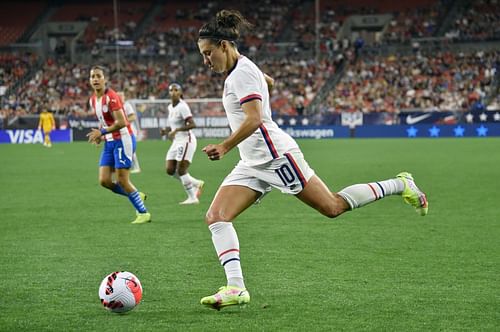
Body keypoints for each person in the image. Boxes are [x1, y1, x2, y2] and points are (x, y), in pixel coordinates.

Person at [196, 10, 429, 310]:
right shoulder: (243, 69)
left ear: (225, 46)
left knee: (332, 207)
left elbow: (254, 119)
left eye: (208, 53)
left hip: (276, 158)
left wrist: (225, 146)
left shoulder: (241, 73)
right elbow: (270, 82)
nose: (206, 61)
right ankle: (235, 288)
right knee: (216, 217)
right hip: (251, 162)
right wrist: (261, 84)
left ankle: (400, 184)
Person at [86, 65, 151, 224]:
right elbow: (105, 122)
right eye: (92, 76)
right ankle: (136, 194)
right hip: (109, 142)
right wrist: (101, 136)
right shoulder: (93, 99)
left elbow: (122, 122)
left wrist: (101, 132)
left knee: (123, 180)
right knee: (104, 181)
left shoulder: (111, 96)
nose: (95, 79)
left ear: (104, 79)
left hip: (123, 140)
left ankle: (143, 213)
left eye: (98, 76)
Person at [160, 83, 204, 205]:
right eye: (171, 90)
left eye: (176, 90)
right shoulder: (170, 107)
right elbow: (174, 126)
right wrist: (167, 130)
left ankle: (192, 197)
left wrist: (177, 131)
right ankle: (196, 183)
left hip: (186, 140)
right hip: (176, 141)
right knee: (170, 170)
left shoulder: (183, 106)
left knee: (181, 170)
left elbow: (192, 124)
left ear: (180, 93)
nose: (173, 92)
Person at [118, 91, 141, 173]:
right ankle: (127, 165)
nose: (120, 97)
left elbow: (133, 117)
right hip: (122, 131)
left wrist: (124, 121)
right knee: (124, 149)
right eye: (118, 96)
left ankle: (136, 167)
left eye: (121, 96)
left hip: (130, 130)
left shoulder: (127, 105)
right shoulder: (117, 107)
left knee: (131, 149)